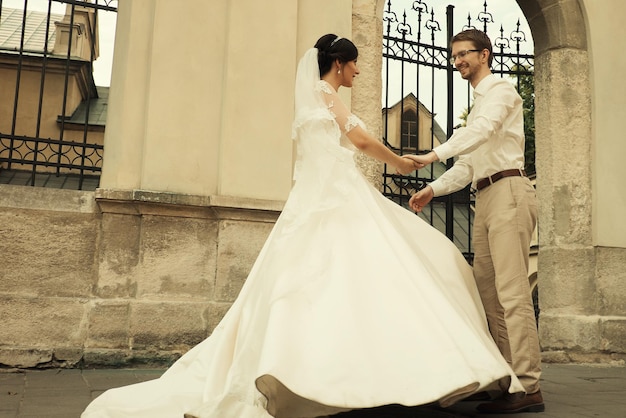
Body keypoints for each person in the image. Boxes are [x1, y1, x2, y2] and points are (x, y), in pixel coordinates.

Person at [82, 33, 524, 418]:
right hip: (336, 194)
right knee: (406, 265)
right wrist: (403, 161)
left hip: (317, 195)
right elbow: (362, 140)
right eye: (354, 65)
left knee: (322, 281)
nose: (356, 72)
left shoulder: (311, 98)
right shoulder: (326, 95)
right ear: (339, 63)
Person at [407, 29, 543, 414]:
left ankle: (528, 385)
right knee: (487, 292)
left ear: (485, 54)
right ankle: (504, 378)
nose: (458, 61)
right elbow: (467, 164)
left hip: (509, 193)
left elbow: (480, 132)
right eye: (454, 56)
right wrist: (432, 189)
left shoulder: (500, 92)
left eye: (464, 53)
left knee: (514, 294)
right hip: (484, 197)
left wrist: (433, 153)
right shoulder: (478, 107)